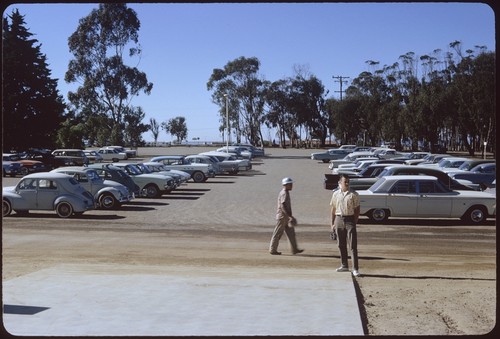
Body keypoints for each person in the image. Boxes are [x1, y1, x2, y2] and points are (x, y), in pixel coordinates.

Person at [330, 174, 361, 277]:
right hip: (339, 218)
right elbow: (333, 209)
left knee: (352, 245)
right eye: (345, 182)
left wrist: (354, 221)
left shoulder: (354, 194)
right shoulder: (335, 194)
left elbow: (357, 209)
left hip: (350, 219)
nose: (347, 183)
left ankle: (355, 268)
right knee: (341, 244)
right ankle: (344, 265)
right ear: (340, 183)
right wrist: (332, 223)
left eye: (348, 181)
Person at [269, 177, 304, 255]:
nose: (292, 186)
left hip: (286, 217)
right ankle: (272, 250)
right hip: (282, 217)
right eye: (290, 184)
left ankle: (294, 249)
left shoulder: (286, 192)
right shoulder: (284, 193)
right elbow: (283, 205)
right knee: (277, 233)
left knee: (291, 233)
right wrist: (289, 216)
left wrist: (289, 216)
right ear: (285, 185)